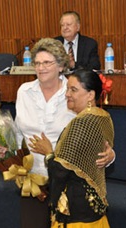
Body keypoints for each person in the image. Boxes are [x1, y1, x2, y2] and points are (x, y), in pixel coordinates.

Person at [14, 38, 114, 228]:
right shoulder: (24, 91)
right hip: (32, 181)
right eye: (37, 63)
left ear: (61, 66)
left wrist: (111, 155)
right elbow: (18, 134)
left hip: (67, 186)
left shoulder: (75, 92)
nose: (41, 68)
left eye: (47, 62)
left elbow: (97, 134)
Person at [31, 69, 114, 227]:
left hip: (76, 213)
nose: (67, 94)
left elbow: (60, 171)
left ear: (90, 95)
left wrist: (48, 152)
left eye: (73, 90)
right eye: (67, 89)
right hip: (92, 207)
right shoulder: (102, 117)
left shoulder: (81, 123)